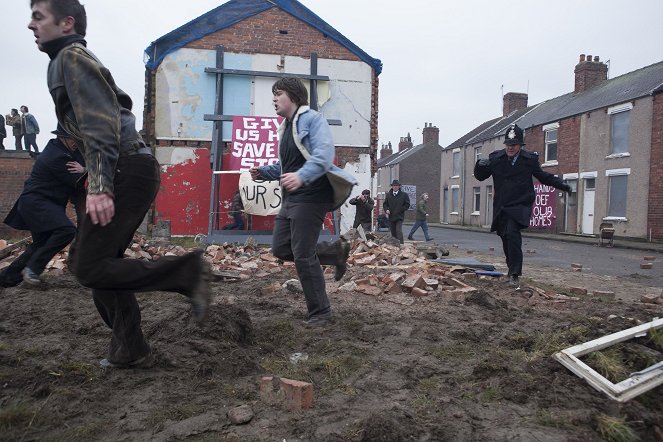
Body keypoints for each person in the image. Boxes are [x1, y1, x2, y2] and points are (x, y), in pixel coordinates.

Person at [28, 0, 210, 368]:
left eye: (38, 17)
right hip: (128, 166)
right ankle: (131, 348)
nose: (30, 26)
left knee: (89, 266)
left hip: (127, 168)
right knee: (96, 264)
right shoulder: (63, 60)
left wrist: (99, 184)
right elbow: (87, 126)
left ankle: (187, 272)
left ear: (66, 24)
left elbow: (101, 123)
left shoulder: (72, 59)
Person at [249, 77, 356, 327]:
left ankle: (320, 312)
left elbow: (323, 154)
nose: (274, 99)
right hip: (293, 198)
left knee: (303, 255)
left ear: (294, 97)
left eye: (279, 94)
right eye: (273, 95)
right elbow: (289, 165)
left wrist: (301, 177)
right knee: (281, 248)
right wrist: (264, 172)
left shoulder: (311, 119)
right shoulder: (286, 128)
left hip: (312, 196)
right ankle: (335, 252)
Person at [474, 123, 571, 288]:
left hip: (519, 205)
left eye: (514, 145)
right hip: (502, 206)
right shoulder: (496, 159)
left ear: (520, 145)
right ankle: (511, 270)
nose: (510, 148)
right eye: (508, 145)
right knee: (505, 237)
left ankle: (514, 274)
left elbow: (543, 177)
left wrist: (562, 185)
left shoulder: (529, 160)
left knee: (512, 234)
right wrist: (479, 166)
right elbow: (481, 177)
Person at [0, 126, 85, 287]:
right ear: (63, 137)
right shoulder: (57, 156)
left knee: (40, 244)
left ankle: (7, 279)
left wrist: (85, 167)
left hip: (40, 203)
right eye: (74, 138)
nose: (77, 142)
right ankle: (33, 269)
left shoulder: (64, 150)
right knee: (66, 230)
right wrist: (86, 170)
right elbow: (79, 182)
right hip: (38, 203)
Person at [383, 179, 410, 244]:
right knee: (393, 232)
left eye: (397, 185)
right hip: (391, 216)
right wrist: (386, 210)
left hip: (399, 216)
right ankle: (394, 245)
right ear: (392, 186)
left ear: (399, 186)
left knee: (398, 230)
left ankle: (401, 244)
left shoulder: (404, 195)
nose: (395, 187)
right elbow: (385, 204)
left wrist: (401, 209)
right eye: (394, 185)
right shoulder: (389, 195)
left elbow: (407, 204)